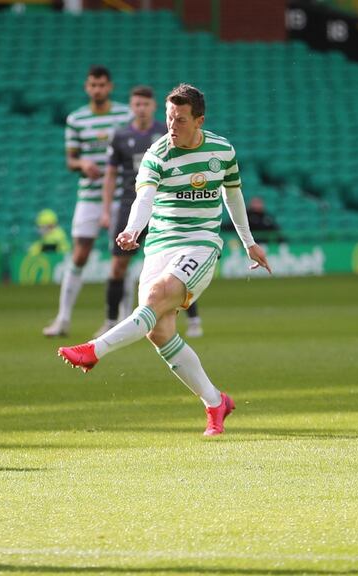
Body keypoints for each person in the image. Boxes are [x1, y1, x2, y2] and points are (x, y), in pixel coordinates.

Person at [58, 83, 271, 436]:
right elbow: (143, 198)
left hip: (200, 243)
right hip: (159, 245)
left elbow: (233, 196)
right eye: (170, 118)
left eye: (181, 120)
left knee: (156, 299)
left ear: (199, 120)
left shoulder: (222, 151)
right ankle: (216, 402)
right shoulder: (157, 153)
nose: (172, 126)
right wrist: (132, 229)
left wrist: (248, 242)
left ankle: (94, 349)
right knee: (158, 331)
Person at [95, 86, 203, 339]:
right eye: (136, 104)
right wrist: (106, 210)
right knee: (118, 266)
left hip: (163, 206)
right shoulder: (120, 136)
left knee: (175, 267)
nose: (141, 108)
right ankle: (111, 320)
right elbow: (110, 175)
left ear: (153, 107)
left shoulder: (166, 133)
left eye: (145, 104)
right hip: (128, 205)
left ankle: (195, 320)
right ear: (131, 107)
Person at [43, 65, 131, 337]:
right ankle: (63, 319)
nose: (98, 90)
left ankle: (127, 320)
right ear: (87, 87)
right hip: (89, 197)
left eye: (102, 85)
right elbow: (70, 160)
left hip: (121, 196)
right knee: (79, 254)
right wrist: (82, 163)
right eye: (93, 85)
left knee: (121, 257)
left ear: (110, 87)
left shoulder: (124, 115)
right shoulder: (77, 119)